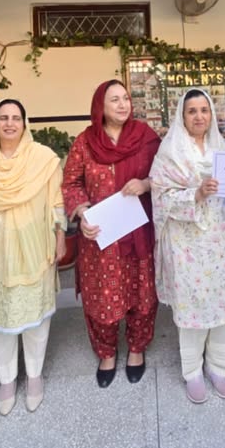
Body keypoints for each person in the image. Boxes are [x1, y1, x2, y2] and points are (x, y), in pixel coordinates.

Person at [0, 99, 66, 415]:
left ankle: (34, 376)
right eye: (3, 117)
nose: (9, 123)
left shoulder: (43, 159)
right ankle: (6, 379)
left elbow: (56, 202)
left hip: (35, 247)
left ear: (24, 123)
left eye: (16, 118)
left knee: (36, 317)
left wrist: (59, 236)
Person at [61, 80, 161, 388]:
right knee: (101, 298)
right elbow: (71, 183)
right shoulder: (85, 142)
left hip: (139, 232)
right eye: (114, 100)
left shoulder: (145, 137)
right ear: (100, 107)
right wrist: (81, 211)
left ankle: (136, 349)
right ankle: (106, 352)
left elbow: (165, 174)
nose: (122, 104)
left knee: (142, 294)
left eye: (126, 98)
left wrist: (145, 184)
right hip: (100, 237)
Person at [150, 88, 225, 404]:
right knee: (192, 306)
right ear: (182, 115)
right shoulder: (169, 152)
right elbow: (160, 197)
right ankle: (192, 371)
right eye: (192, 111)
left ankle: (218, 367)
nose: (199, 116)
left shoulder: (223, 147)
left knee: (223, 305)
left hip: (221, 240)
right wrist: (196, 194)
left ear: (212, 114)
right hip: (186, 242)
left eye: (204, 110)